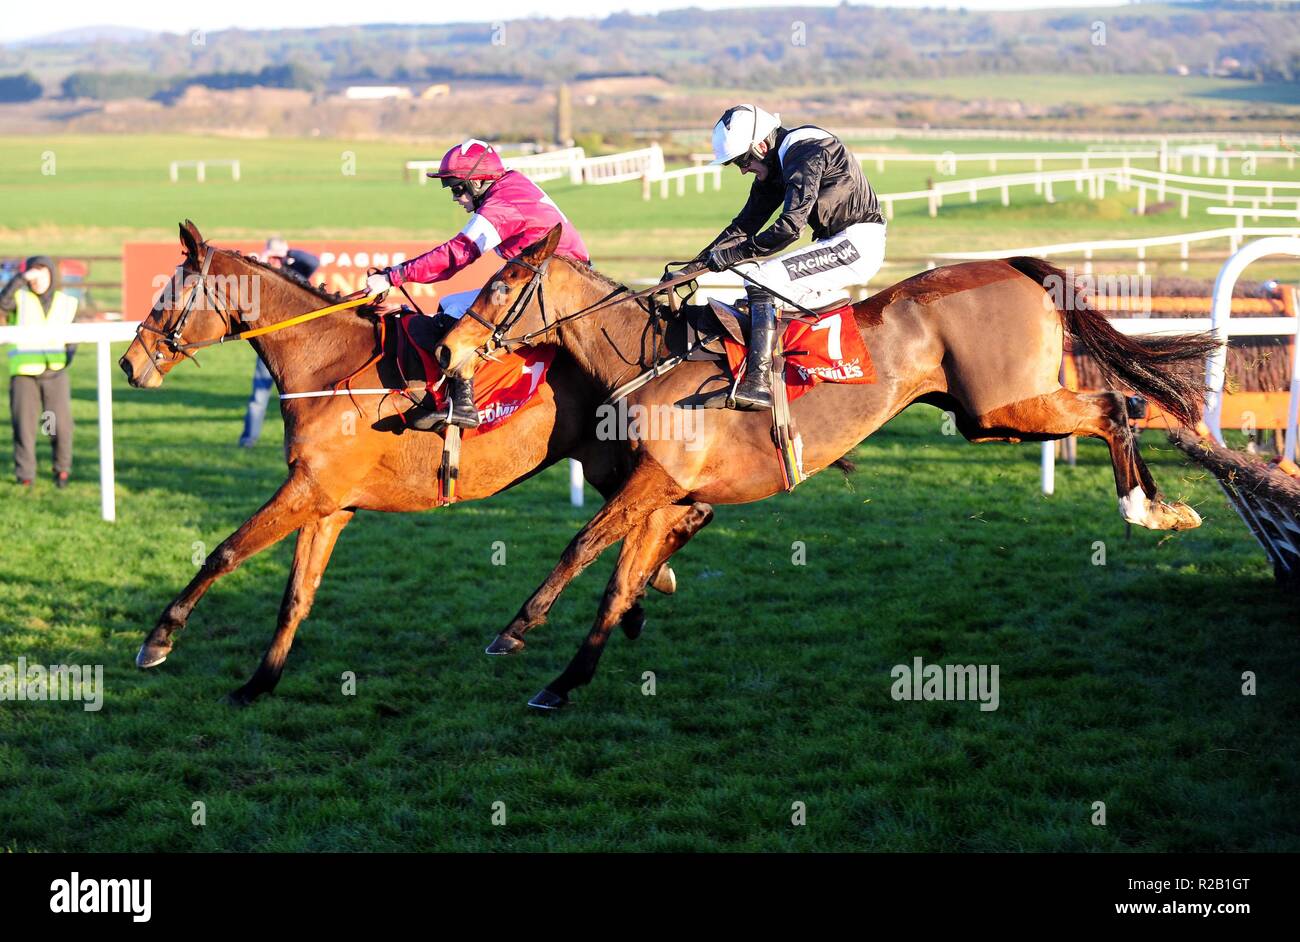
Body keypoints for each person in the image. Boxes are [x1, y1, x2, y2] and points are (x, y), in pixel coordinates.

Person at [365, 139, 590, 430]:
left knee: (459, 311)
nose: (456, 197)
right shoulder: (510, 185)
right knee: (450, 304)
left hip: (554, 286)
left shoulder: (503, 205)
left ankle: (463, 405)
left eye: (459, 187)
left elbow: (457, 254)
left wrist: (393, 276)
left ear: (481, 181)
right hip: (554, 277)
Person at [685, 105, 887, 411]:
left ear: (761, 146)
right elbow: (744, 226)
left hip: (857, 243)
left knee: (765, 278)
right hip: (840, 241)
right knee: (764, 290)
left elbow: (790, 228)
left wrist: (732, 257)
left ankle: (757, 383)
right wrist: (690, 270)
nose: (742, 170)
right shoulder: (778, 162)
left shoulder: (805, 151)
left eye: (742, 160)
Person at [1, 256, 77, 488]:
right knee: (24, 427)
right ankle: (25, 476)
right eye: (33, 272)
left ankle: (61, 471)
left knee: (58, 426)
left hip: (54, 373)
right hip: (24, 374)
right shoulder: (19, 298)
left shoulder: (66, 302)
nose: (37, 278)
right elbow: (2, 304)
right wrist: (20, 279)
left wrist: (66, 360)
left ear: (51, 274)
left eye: (41, 271)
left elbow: (73, 335)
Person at [239, 239, 320, 447]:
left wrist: (288, 252)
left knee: (301, 399)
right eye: (271, 256)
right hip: (270, 348)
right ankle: (248, 440)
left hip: (300, 350)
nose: (274, 260)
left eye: (277, 256)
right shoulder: (260, 279)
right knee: (259, 396)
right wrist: (262, 260)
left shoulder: (295, 274)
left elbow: (313, 261)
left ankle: (302, 441)